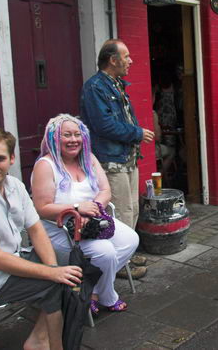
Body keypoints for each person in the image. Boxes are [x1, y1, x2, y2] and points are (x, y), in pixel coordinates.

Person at [0, 128, 83, 350]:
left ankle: (39, 340)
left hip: (11, 259)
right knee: (56, 284)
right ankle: (52, 345)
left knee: (69, 266)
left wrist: (53, 268)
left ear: (11, 159)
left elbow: (36, 230)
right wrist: (52, 273)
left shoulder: (14, 186)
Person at [31, 114, 141, 316]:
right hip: (60, 230)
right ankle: (108, 296)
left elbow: (105, 190)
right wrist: (77, 207)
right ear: (54, 138)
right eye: (66, 135)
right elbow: (41, 208)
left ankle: (91, 291)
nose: (73, 140)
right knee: (105, 253)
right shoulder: (45, 166)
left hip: (92, 223)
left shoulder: (89, 158)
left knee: (130, 240)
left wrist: (94, 208)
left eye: (77, 134)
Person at [80, 39, 155, 233]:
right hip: (111, 162)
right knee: (121, 212)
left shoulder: (117, 85)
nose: (131, 61)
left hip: (127, 158)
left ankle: (128, 255)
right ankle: (120, 260)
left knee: (133, 209)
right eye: (126, 56)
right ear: (113, 60)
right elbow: (103, 126)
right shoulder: (94, 87)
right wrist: (137, 133)